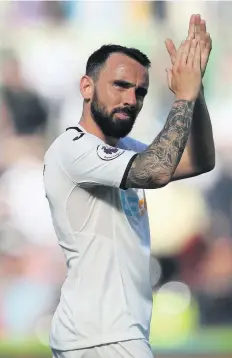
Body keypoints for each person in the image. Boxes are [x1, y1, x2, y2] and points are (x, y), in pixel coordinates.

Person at [44, 14, 215, 358]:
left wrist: (195, 92)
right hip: (101, 337)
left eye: (140, 91)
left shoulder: (123, 150)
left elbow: (200, 160)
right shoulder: (73, 147)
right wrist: (182, 97)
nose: (131, 99)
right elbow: (157, 171)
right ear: (87, 86)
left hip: (107, 336)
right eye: (120, 85)